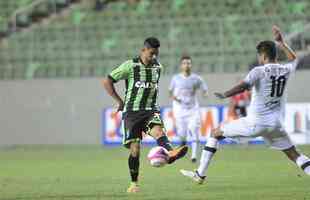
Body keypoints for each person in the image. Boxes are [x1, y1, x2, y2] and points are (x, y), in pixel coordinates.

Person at [180, 26, 310, 184]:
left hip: (255, 123)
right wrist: (282, 43)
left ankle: (199, 175)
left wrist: (225, 94)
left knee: (215, 133)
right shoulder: (285, 70)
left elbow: (243, 86)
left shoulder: (258, 71)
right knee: (294, 154)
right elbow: (294, 59)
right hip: (275, 124)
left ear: (262, 56)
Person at [103, 37, 188, 193]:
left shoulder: (158, 68)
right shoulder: (130, 66)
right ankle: (133, 184)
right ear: (143, 50)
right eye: (151, 53)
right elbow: (107, 81)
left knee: (158, 132)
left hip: (150, 110)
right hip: (132, 113)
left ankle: (170, 152)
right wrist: (119, 101)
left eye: (156, 54)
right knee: (135, 149)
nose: (154, 57)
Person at [169, 55, 208, 163]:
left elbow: (204, 88)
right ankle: (182, 145)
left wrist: (205, 93)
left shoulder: (196, 78)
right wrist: (176, 99)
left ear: (191, 65)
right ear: (181, 65)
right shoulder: (175, 78)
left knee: (194, 129)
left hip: (193, 109)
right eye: (185, 63)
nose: (187, 65)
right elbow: (170, 93)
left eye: (189, 63)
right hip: (179, 109)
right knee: (182, 134)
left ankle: (194, 156)